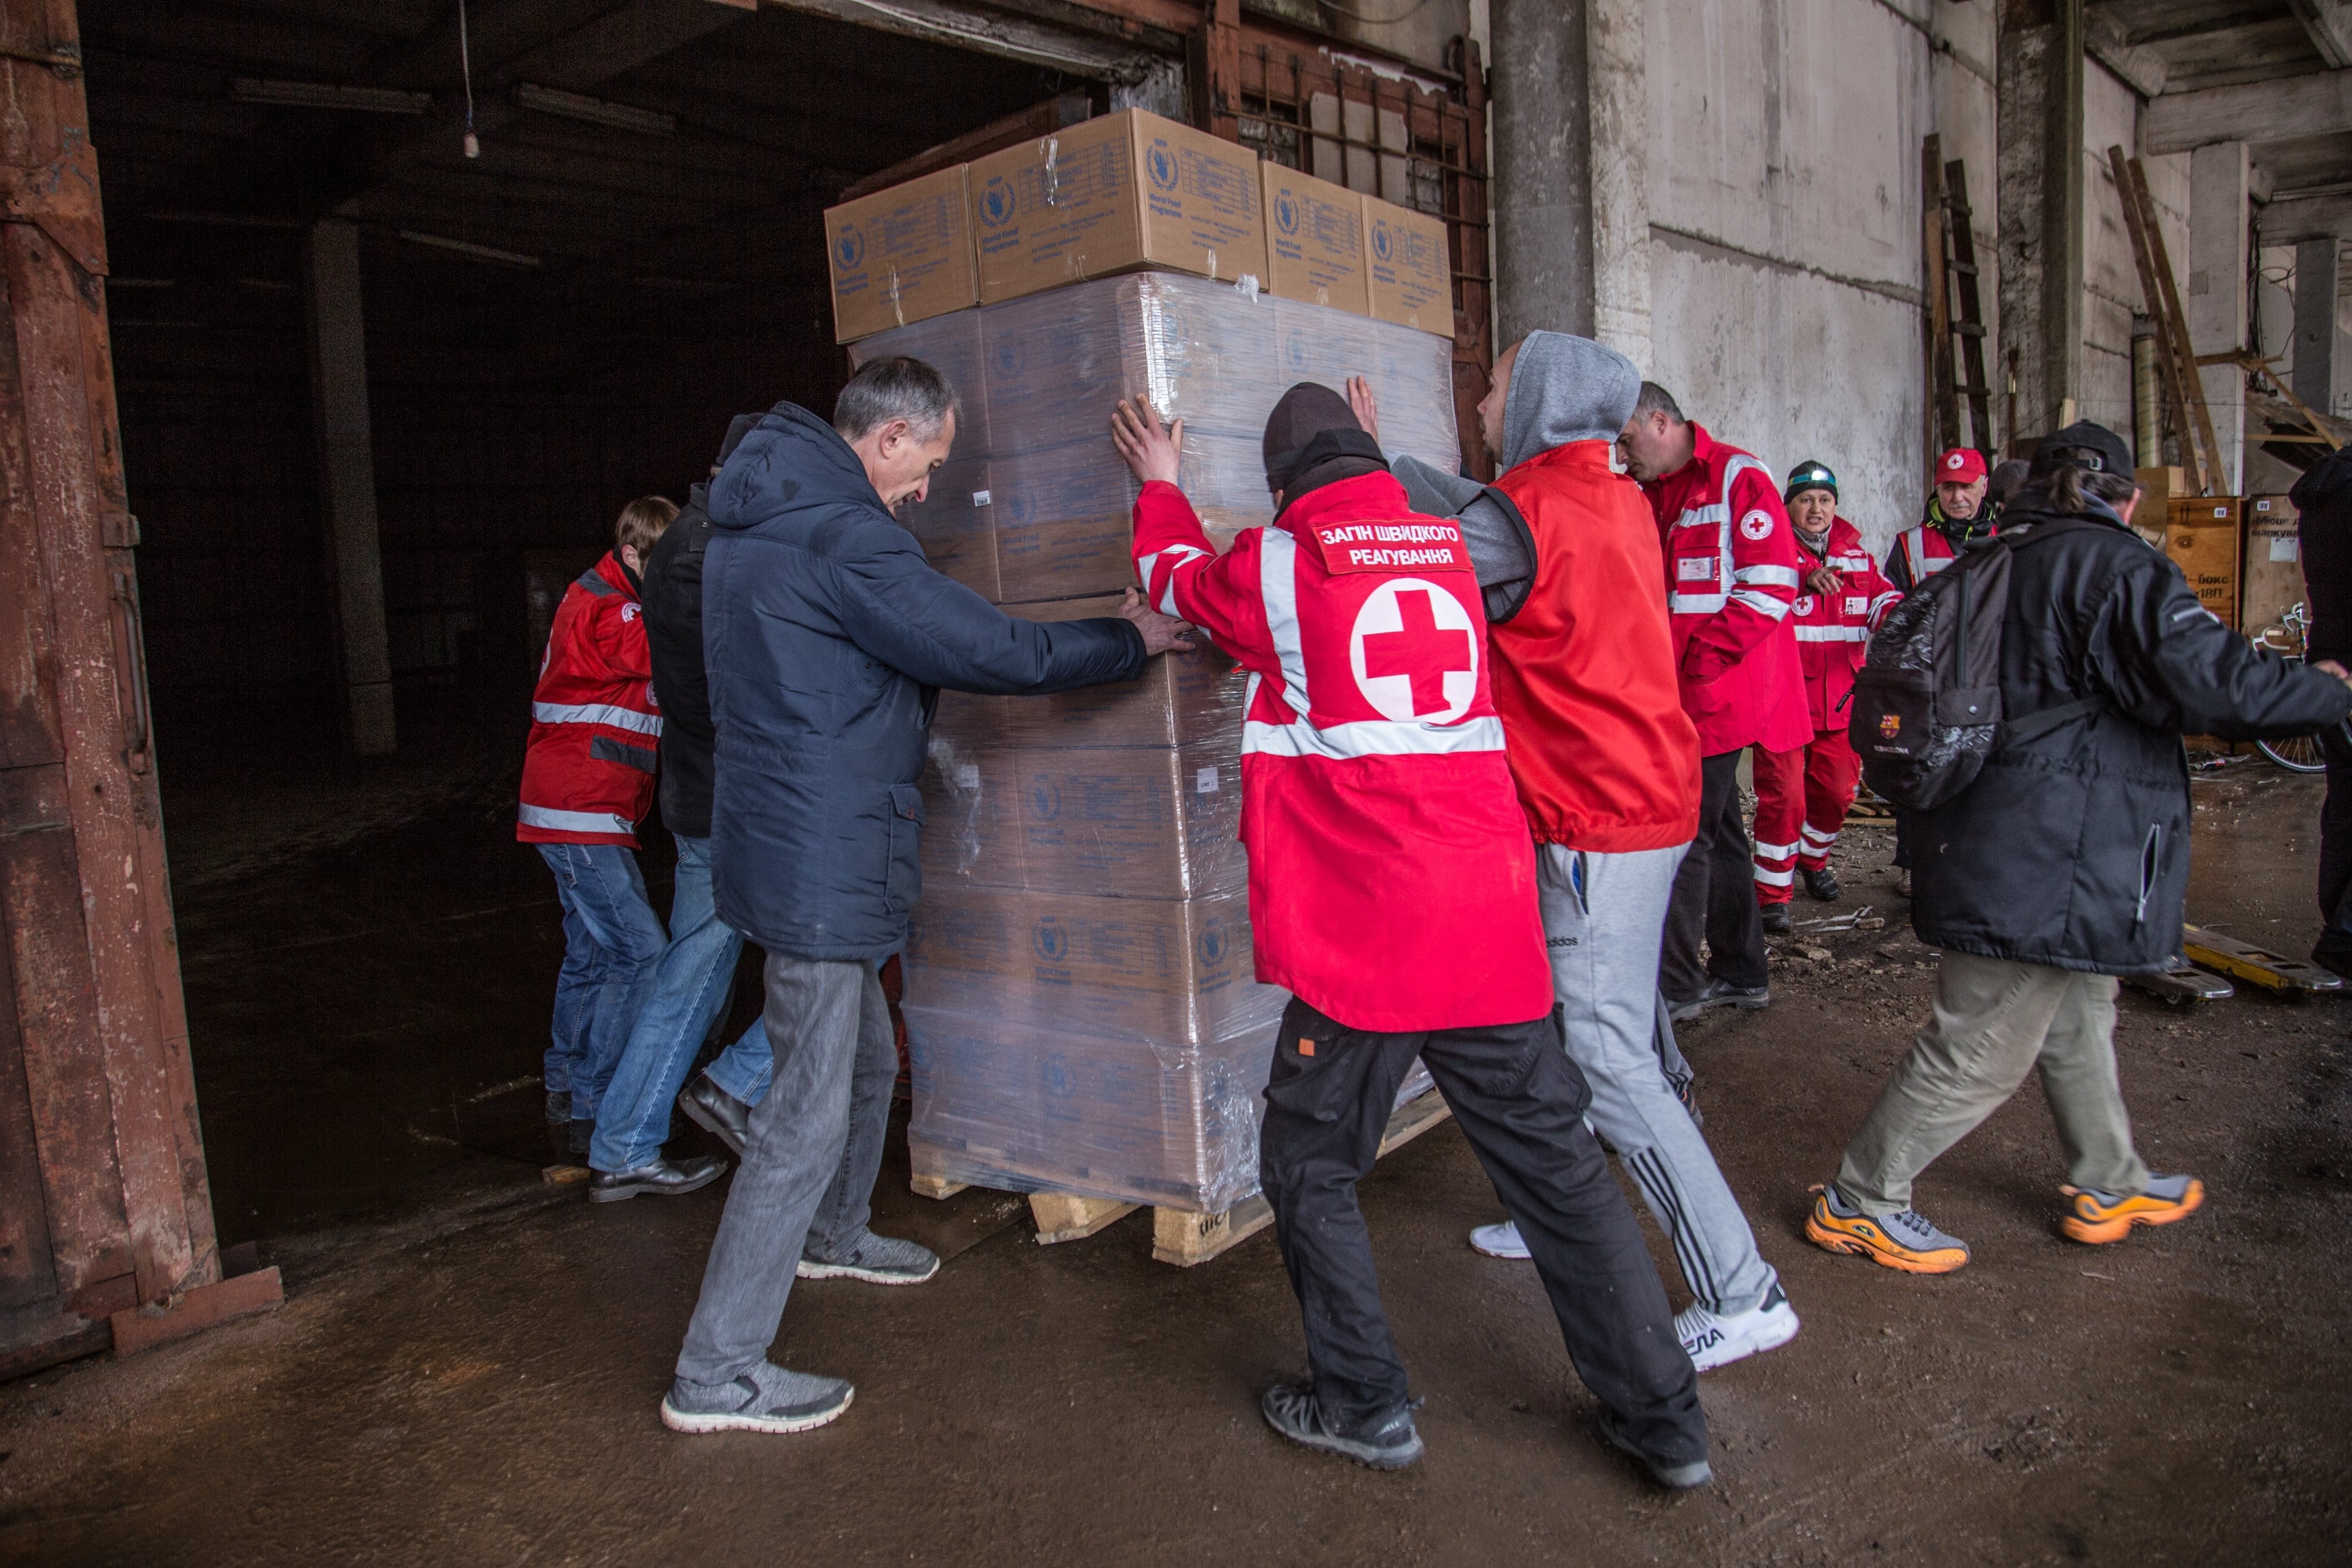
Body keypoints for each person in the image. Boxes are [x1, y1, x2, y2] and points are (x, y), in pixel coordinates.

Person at [1112, 381, 1710, 1487]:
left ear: (1283, 486)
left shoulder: (1282, 566)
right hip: (1489, 930)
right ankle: (1667, 1422)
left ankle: (1362, 1402)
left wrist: (1159, 487)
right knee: (1562, 1180)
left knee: (1308, 1164)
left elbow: (1175, 587)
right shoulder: (1450, 548)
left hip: (1364, 945)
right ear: (1376, 465)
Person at [659, 358, 1192, 1438]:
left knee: (867, 1060)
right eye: (931, 467)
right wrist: (1131, 638)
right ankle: (715, 1371)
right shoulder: (841, 535)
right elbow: (984, 647)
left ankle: (837, 1233)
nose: (927, 493)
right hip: (821, 851)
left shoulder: (744, 530)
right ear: (888, 440)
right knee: (803, 1111)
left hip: (789, 836)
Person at [1805, 421, 2352, 1273]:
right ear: (2126, 498)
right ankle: (1861, 1199)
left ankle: (2109, 1176)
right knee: (1981, 1040)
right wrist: (2322, 687)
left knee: (2080, 1010)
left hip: (2010, 832)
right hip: (2046, 849)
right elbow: (2217, 682)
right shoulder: (2118, 566)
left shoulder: (1991, 557)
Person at [1362, 334, 1798, 1376]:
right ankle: (1565, 1204)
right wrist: (1391, 464)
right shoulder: (1596, 494)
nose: (1480, 400)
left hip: (1604, 816)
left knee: (1608, 1056)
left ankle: (1741, 1293)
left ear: (1543, 399)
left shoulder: (1535, 513)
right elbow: (1480, 509)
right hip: (1628, 799)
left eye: (1499, 383)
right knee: (1580, 1028)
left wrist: (1350, 480)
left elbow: (1430, 552)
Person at [586, 417, 777, 1201]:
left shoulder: (685, 548)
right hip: (727, 801)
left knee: (693, 967)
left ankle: (627, 1137)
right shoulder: (712, 557)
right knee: (825, 951)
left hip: (700, 797)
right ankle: (724, 1085)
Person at [1618, 384, 1810, 1020]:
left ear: (1660, 421)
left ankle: (1677, 985)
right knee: (1723, 835)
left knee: (1685, 835)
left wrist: (1699, 662)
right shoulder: (1651, 491)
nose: (1623, 456)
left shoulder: (1737, 475)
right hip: (1684, 692)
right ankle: (1741, 968)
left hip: (1717, 695)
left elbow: (1771, 584)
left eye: (1626, 440)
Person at [519, 496, 678, 1156]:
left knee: (589, 951)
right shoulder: (613, 610)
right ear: (633, 554)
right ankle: (601, 1088)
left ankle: (566, 1081)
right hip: (579, 808)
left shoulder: (605, 599)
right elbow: (673, 651)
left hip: (577, 806)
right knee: (641, 951)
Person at [1750, 461, 1900, 935]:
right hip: (1781, 705)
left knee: (1837, 794)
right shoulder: (1767, 554)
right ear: (1788, 505)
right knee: (1785, 799)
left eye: (1825, 499)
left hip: (1839, 704)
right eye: (1805, 499)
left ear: (1836, 505)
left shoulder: (1858, 558)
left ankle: (1812, 861)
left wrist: (1899, 618)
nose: (1816, 509)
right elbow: (1752, 595)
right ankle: (1772, 895)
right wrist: (1801, 577)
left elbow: (1883, 601)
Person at [1884, 447, 1999, 897]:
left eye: (1966, 487)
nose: (1957, 497)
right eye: (1949, 487)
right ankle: (1914, 863)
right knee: (1919, 767)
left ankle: (1977, 859)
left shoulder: (2007, 538)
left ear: (1983, 486)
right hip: (1927, 680)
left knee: (1984, 771)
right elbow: (1892, 609)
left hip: (1986, 678)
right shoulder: (1911, 545)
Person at [2291, 447, 2352, 979]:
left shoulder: (2325, 492)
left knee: (2346, 800)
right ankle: (2346, 934)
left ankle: (2339, 918)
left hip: (2331, 654)